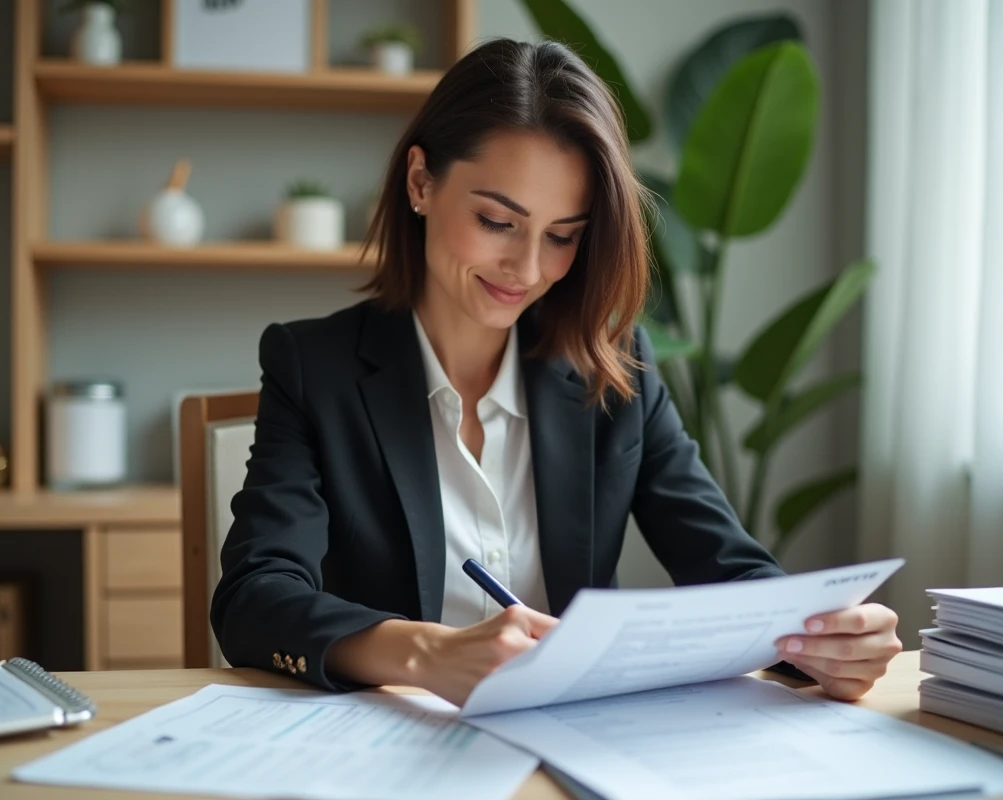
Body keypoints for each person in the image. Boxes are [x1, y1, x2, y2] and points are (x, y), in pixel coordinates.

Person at [211, 37, 902, 708]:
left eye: (564, 235)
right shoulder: (315, 368)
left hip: (567, 745)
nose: (529, 269)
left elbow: (730, 569)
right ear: (421, 183)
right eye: (496, 220)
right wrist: (426, 654)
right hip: (390, 745)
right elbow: (254, 598)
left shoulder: (615, 370)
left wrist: (820, 639)